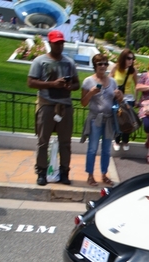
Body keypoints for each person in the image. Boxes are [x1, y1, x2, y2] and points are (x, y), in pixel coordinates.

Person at [27, 30, 79, 186]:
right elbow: (30, 82)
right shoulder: (40, 61)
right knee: (43, 142)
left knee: (65, 142)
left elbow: (77, 84)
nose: (59, 46)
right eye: (56, 43)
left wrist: (70, 86)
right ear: (50, 43)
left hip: (65, 106)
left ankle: (64, 172)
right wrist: (52, 84)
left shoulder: (69, 62)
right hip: (47, 106)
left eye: (61, 43)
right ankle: (41, 172)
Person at [80, 54, 123, 187]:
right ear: (95, 66)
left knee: (106, 150)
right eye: (100, 64)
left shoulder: (113, 82)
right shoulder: (88, 81)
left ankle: (104, 174)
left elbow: (118, 101)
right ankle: (90, 175)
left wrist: (120, 96)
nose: (103, 66)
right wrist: (91, 93)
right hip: (95, 118)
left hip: (109, 119)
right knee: (92, 148)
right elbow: (83, 103)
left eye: (105, 64)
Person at [110, 49, 138, 151]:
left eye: (132, 59)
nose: (131, 61)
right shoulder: (116, 67)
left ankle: (125, 140)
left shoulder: (132, 71)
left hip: (128, 99)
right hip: (116, 98)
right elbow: (109, 81)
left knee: (127, 121)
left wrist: (136, 99)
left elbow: (136, 85)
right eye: (129, 58)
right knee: (117, 119)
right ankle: (116, 140)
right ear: (123, 58)